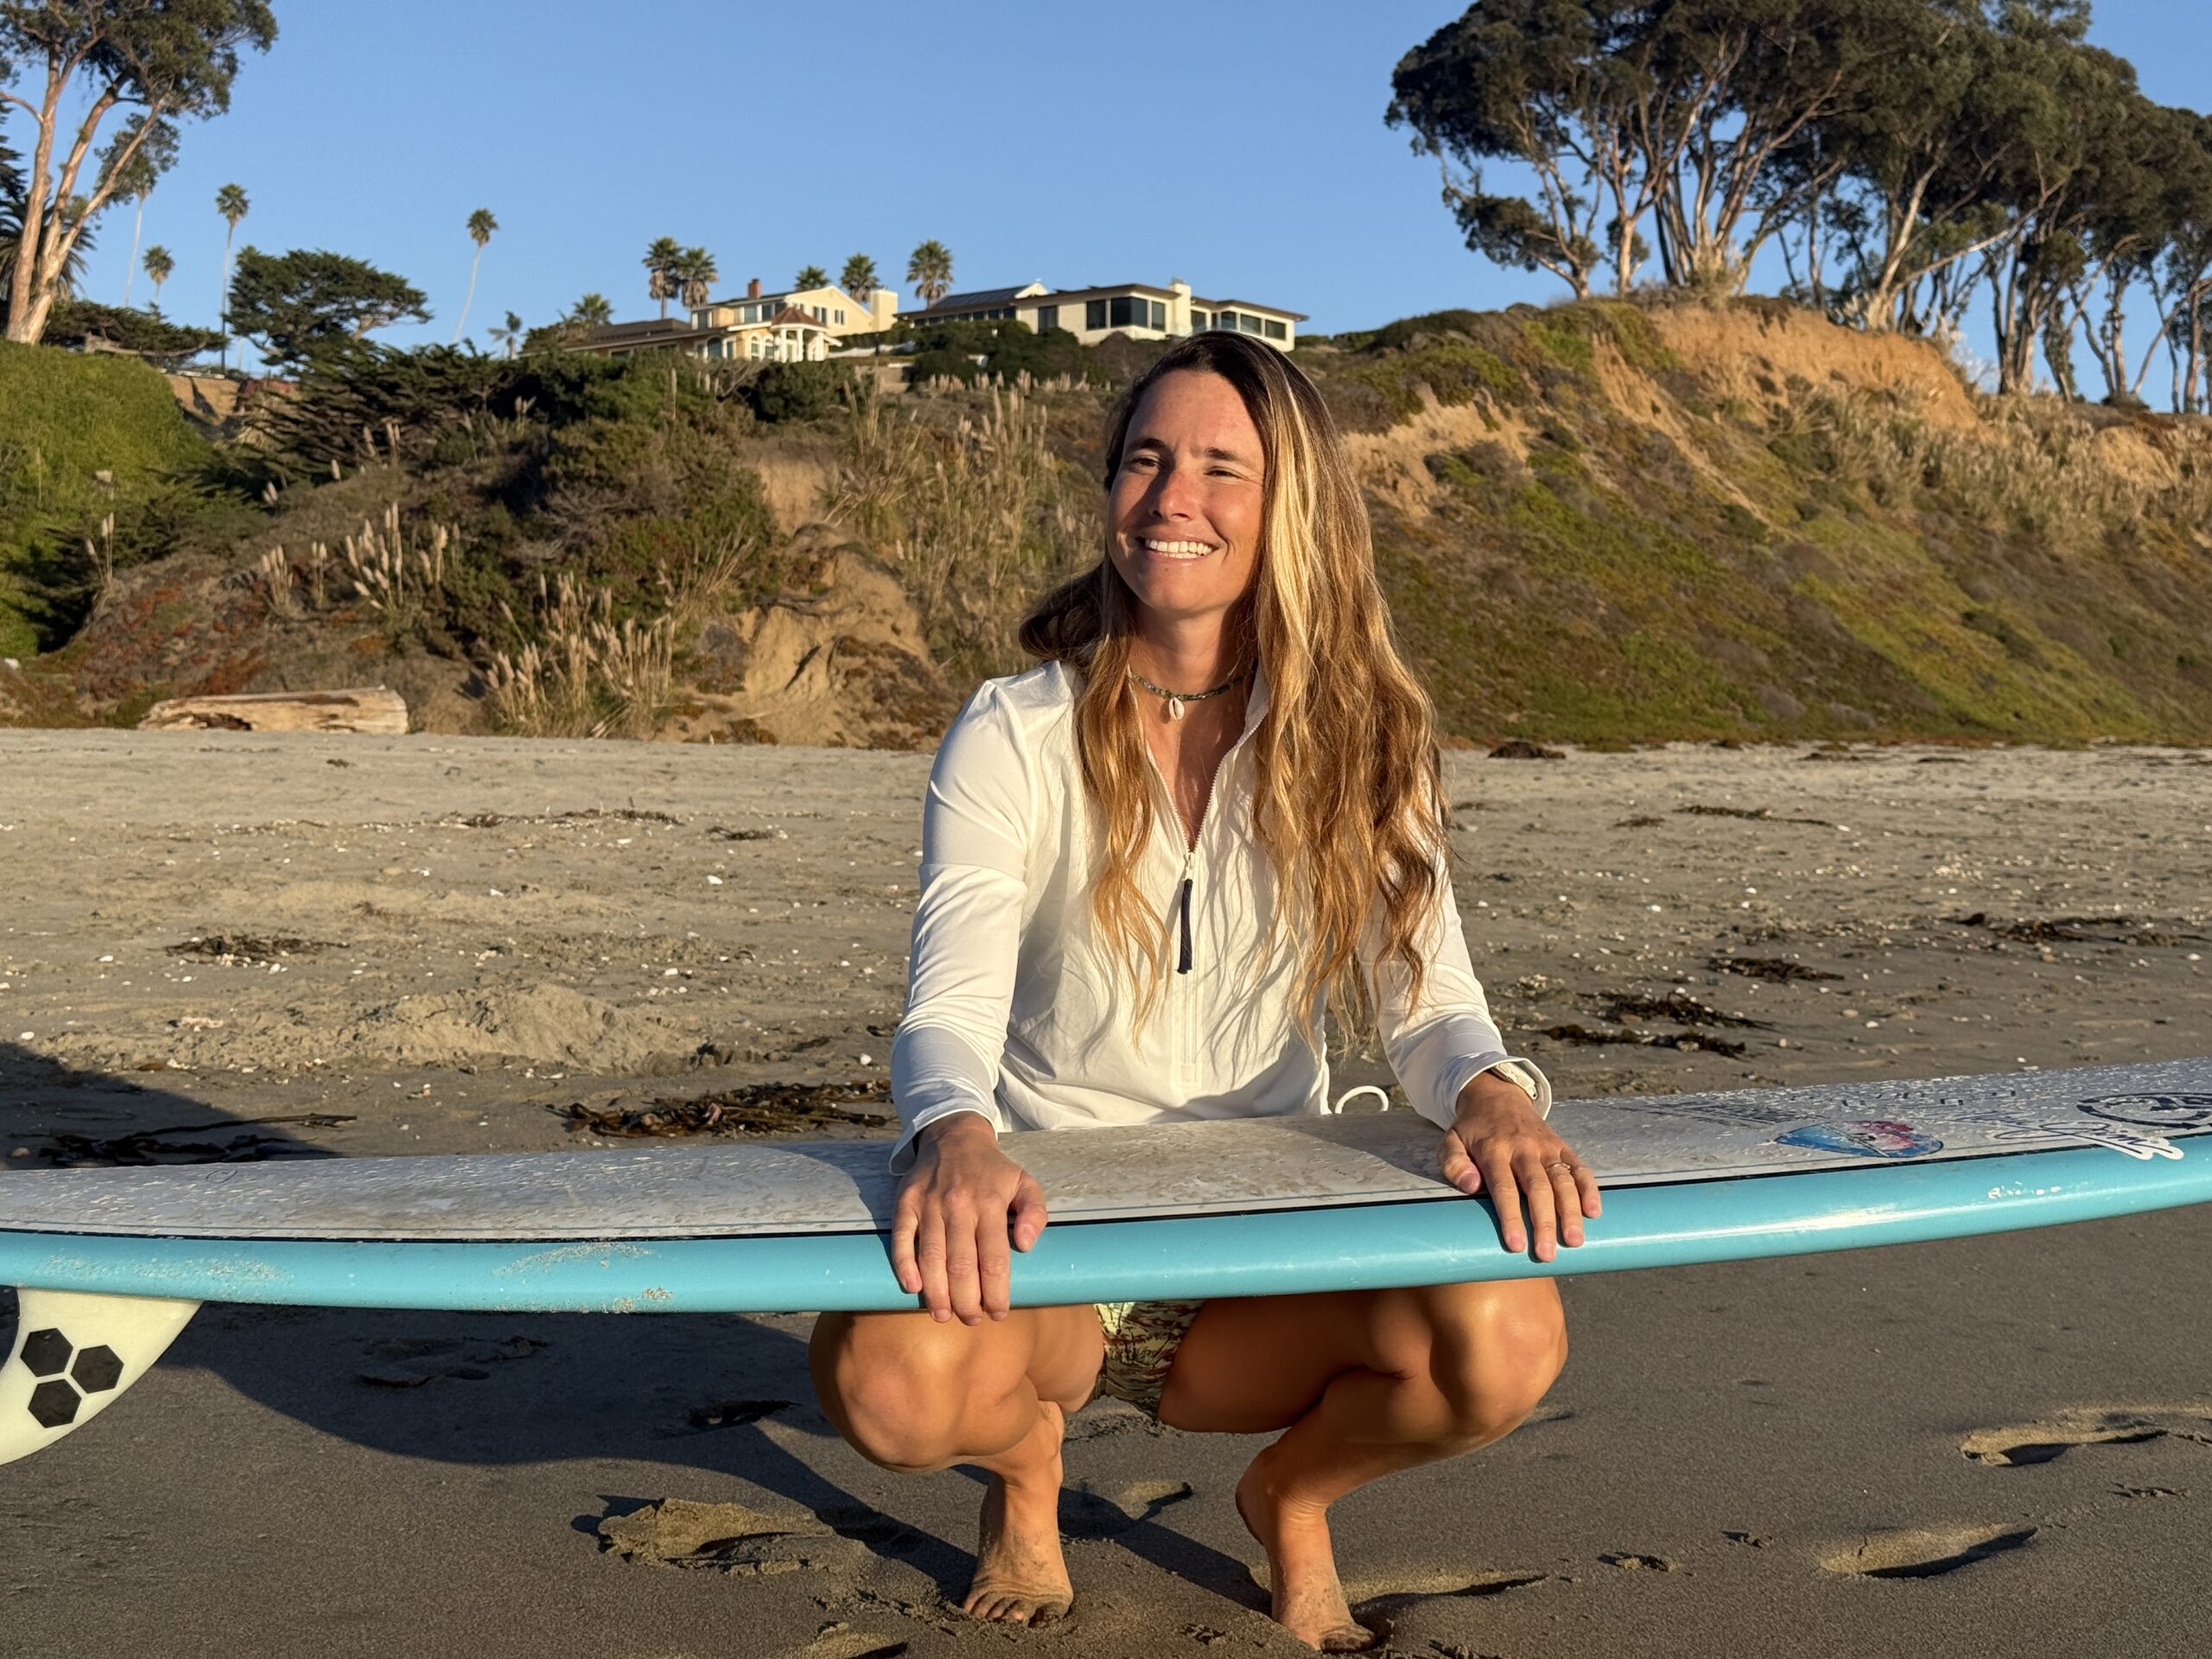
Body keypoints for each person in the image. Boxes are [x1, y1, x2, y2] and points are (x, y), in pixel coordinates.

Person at [809, 331, 1599, 1653]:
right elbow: (948, 998)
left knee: (1509, 1342)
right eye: (1147, 461)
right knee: (886, 1389)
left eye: (1223, 467)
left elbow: (1425, 996)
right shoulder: (1016, 729)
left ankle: (1290, 1495)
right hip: (1052, 1242)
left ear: (1292, 506)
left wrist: (1492, 1094)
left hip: (1266, 1248)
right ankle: (1025, 1467)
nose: (1175, 499)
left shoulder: (1359, 732)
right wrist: (952, 1135)